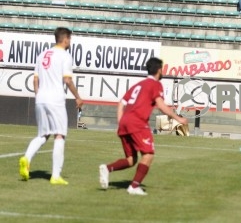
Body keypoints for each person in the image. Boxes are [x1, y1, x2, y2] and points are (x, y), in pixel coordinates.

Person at [98, 57, 188, 195]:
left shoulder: (138, 85)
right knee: (148, 154)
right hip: (137, 122)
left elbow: (121, 103)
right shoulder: (156, 85)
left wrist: (120, 122)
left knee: (131, 160)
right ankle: (134, 187)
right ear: (159, 70)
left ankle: (107, 168)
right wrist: (178, 118)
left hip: (125, 122)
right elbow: (161, 105)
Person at [19, 27, 84, 185]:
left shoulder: (42, 55)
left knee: (43, 135)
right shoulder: (65, 56)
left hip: (41, 98)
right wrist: (78, 97)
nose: (70, 42)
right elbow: (67, 80)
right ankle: (55, 175)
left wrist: (39, 95)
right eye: (70, 39)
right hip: (55, 99)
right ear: (66, 39)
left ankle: (26, 158)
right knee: (59, 135)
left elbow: (35, 80)